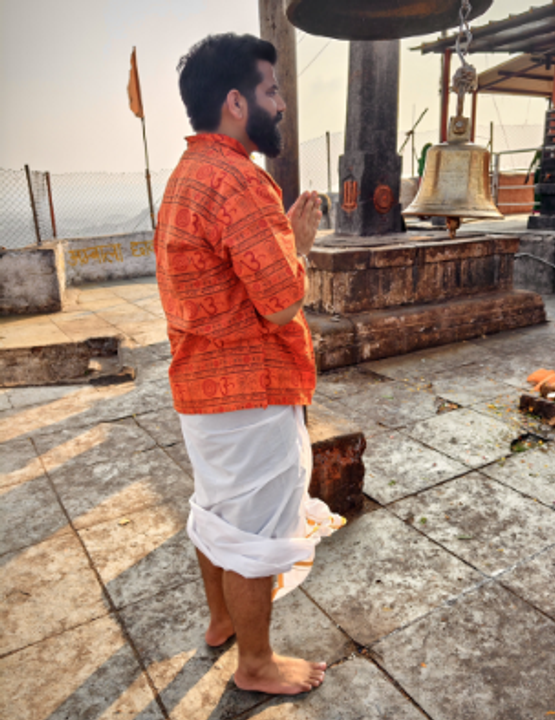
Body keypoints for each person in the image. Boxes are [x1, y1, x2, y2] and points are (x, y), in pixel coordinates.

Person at [155, 33, 341, 695]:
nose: (281, 104)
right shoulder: (240, 179)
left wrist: (281, 237)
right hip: (251, 394)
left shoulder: (188, 176)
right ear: (236, 102)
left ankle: (218, 621)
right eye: (271, 90)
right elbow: (281, 304)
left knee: (217, 514)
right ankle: (257, 663)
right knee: (257, 535)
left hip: (202, 391)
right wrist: (304, 244)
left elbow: (234, 278)